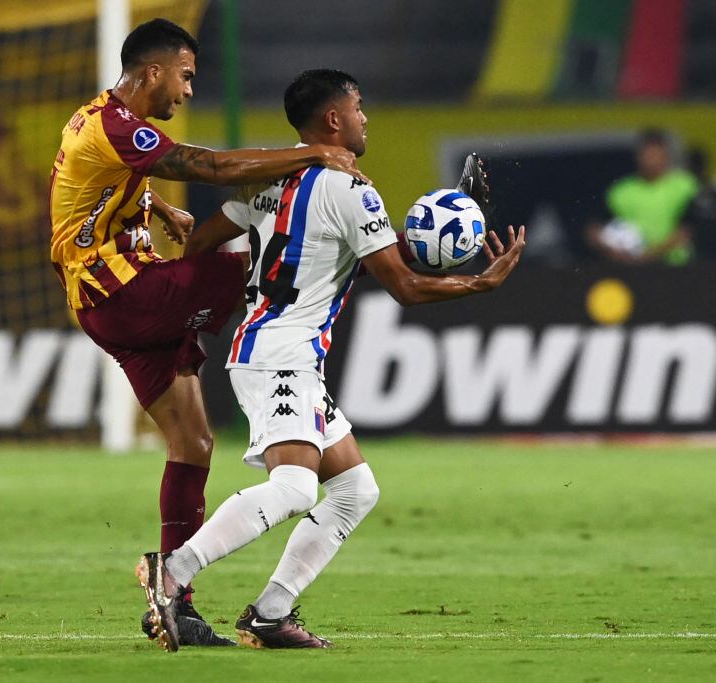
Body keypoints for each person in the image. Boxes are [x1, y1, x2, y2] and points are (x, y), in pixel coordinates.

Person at [135, 69, 526, 651]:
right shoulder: (351, 190)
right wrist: (478, 284)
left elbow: (200, 243)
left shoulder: (270, 173)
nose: (366, 117)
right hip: (280, 355)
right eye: (359, 106)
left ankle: (269, 613)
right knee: (295, 489)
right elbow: (406, 287)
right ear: (333, 119)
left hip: (273, 349)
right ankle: (173, 571)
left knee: (354, 490)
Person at [49, 19, 364, 646]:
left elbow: (90, 192)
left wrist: (158, 207)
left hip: (115, 301)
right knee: (268, 266)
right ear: (152, 73)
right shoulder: (114, 126)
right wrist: (312, 154)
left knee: (193, 442)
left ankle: (176, 604)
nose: (188, 91)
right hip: (121, 293)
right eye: (186, 76)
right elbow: (207, 164)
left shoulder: (99, 121)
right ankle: (279, 355)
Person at [586, 128, 699, 265]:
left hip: (674, 265)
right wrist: (610, 249)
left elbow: (690, 227)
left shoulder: (686, 186)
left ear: (666, 156)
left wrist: (651, 254)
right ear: (638, 156)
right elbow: (595, 229)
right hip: (628, 265)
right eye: (647, 155)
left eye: (656, 155)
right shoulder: (621, 191)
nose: (651, 161)